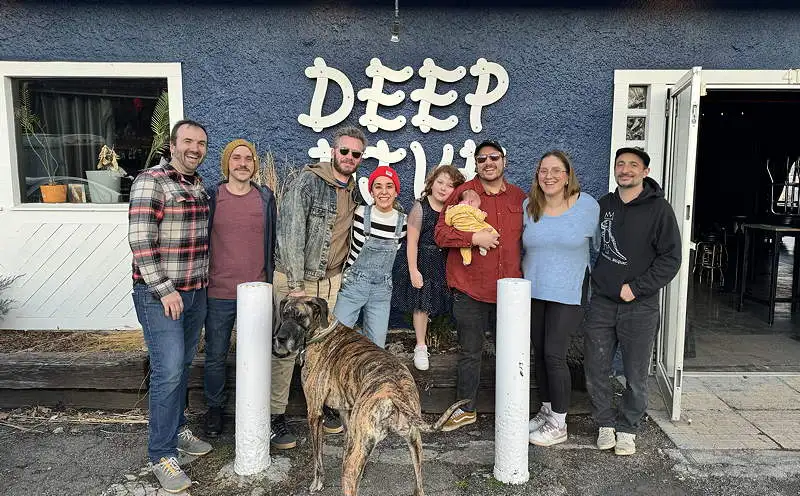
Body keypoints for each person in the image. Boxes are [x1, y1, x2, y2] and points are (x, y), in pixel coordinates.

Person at [128, 119, 213, 493]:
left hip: (195, 292)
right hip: (160, 295)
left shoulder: (198, 186)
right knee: (168, 372)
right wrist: (164, 289)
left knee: (181, 364)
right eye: (188, 142)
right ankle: (161, 453)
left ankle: (178, 431)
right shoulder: (151, 181)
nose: (195, 149)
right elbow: (141, 241)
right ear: (173, 145)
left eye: (201, 144)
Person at [271, 125, 367, 449]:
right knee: (286, 347)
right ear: (333, 152)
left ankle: (323, 405)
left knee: (321, 349)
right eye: (345, 151)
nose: (349, 157)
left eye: (356, 154)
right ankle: (275, 417)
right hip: (297, 279)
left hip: (329, 281)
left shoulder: (354, 190)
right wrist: (296, 286)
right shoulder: (308, 182)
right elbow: (291, 233)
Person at [584, 147, 681, 456]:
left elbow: (671, 259)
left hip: (640, 306)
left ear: (645, 172)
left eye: (633, 165)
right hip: (601, 303)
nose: (625, 170)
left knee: (635, 373)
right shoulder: (603, 206)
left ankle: (628, 428)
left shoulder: (659, 210)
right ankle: (605, 424)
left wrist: (637, 288)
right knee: (596, 367)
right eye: (620, 164)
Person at [434, 139, 526, 431]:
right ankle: (466, 409)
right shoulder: (463, 194)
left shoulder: (519, 198)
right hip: (470, 288)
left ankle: (512, 410)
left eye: (494, 157)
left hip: (510, 291)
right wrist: (473, 239)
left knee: (511, 353)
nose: (488, 162)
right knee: (470, 352)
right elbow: (440, 234)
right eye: (482, 158)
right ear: (476, 164)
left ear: (504, 161)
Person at [522, 151, 599, 447]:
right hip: (534, 290)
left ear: (568, 175)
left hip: (569, 291)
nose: (549, 176)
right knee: (539, 352)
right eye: (543, 170)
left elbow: (603, 246)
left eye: (556, 170)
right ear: (537, 175)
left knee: (555, 353)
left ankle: (559, 423)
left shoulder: (587, 206)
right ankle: (546, 410)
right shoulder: (529, 206)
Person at [202, 139, 277, 438]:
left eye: (248, 158)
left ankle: (258, 410)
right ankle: (215, 409)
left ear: (254, 164)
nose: (243, 163)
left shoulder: (266, 198)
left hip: (257, 292)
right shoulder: (212, 196)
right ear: (227, 163)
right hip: (219, 291)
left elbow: (274, 242)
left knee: (259, 354)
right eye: (237, 158)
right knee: (216, 355)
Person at [392, 165, 465, 370]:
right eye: (440, 182)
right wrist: (414, 270)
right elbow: (412, 242)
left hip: (443, 261)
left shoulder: (453, 210)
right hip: (422, 258)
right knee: (421, 304)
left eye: (450, 186)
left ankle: (440, 338)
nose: (443, 188)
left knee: (440, 302)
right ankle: (421, 345)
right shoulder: (420, 207)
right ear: (431, 182)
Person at [334, 165, 407, 348]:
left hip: (382, 290)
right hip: (353, 285)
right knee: (336, 339)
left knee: (376, 346)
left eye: (389, 186)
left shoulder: (404, 222)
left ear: (396, 191)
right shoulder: (359, 214)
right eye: (378, 186)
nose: (384, 192)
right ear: (372, 191)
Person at [445, 189, 499, 264]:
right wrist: (483, 214)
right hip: (473, 227)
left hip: (461, 231)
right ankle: (489, 240)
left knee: (464, 247)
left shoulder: (453, 210)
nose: (477, 208)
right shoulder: (471, 209)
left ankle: (466, 260)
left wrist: (447, 212)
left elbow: (448, 223)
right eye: (477, 206)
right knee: (486, 227)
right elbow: (480, 219)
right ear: (470, 202)